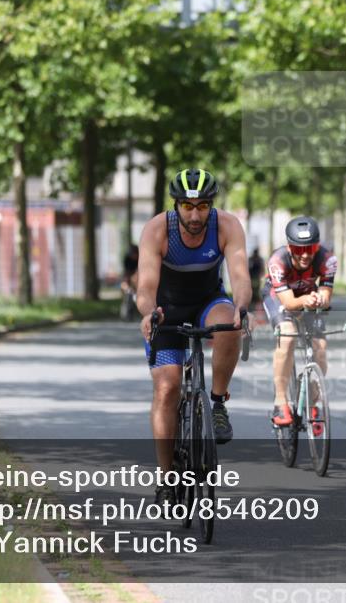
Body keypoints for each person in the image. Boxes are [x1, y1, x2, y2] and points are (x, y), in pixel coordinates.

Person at [136, 168, 251, 509]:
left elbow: (240, 276)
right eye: (188, 206)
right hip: (165, 309)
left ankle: (216, 404)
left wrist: (242, 307)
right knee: (167, 388)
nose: (196, 215)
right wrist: (148, 312)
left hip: (207, 302)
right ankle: (167, 477)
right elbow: (145, 286)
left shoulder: (226, 226)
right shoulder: (158, 229)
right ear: (177, 205)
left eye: (203, 206)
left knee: (230, 324)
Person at [261, 216, 338, 428]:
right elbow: (288, 302)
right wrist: (306, 299)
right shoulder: (278, 262)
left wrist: (320, 298)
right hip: (279, 297)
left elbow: (326, 293)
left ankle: (313, 401)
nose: (305, 254)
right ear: (289, 247)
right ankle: (280, 401)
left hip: (306, 295)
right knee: (287, 336)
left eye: (310, 248)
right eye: (297, 249)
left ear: (318, 246)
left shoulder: (327, 259)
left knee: (320, 347)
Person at [248, 246, 265, 311]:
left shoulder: (260, 259)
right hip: (252, 276)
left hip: (256, 276)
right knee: (252, 288)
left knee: (257, 288)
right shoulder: (251, 259)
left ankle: (256, 301)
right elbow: (248, 268)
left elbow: (262, 268)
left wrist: (261, 274)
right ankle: (252, 300)